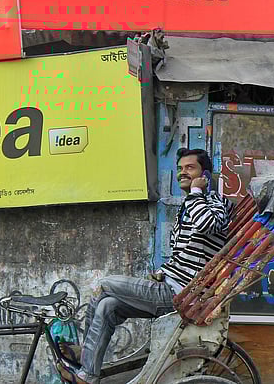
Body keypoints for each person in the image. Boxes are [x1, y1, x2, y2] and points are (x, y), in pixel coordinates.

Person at [59, 148, 233, 384]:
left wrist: (196, 191)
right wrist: (163, 272)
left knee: (103, 285)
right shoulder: (192, 205)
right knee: (108, 306)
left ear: (205, 175)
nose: (183, 173)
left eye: (190, 168)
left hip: (182, 294)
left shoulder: (215, 202)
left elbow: (206, 225)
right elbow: (184, 255)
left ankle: (82, 352)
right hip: (172, 285)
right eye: (180, 169)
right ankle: (88, 373)